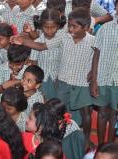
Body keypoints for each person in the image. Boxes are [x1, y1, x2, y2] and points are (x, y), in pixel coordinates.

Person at [12, 8, 98, 143]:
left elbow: (98, 56)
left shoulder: (92, 40)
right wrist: (22, 41)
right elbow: (40, 47)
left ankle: (83, 138)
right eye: (69, 25)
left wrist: (93, 73)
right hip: (55, 80)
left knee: (84, 111)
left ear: (86, 28)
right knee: (56, 110)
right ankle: (57, 134)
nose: (70, 29)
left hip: (73, 81)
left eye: (74, 26)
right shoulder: (63, 38)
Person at [92, 0, 118, 144]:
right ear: (116, 6)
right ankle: (101, 146)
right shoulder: (105, 28)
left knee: (114, 114)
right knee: (102, 112)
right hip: (102, 78)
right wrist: (94, 80)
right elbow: (96, 54)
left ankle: (110, 146)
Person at [29, 9, 66, 100]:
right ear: (41, 26)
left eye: (53, 27)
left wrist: (61, 76)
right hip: (42, 80)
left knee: (56, 103)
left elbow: (64, 60)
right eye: (46, 27)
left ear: (58, 26)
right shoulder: (37, 43)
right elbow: (34, 63)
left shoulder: (62, 40)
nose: (49, 31)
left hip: (58, 78)